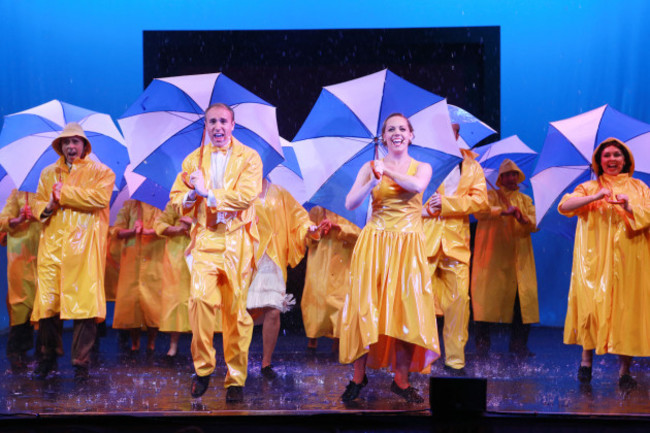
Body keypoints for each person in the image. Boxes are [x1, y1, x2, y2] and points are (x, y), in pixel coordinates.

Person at [339, 113, 439, 403]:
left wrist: (389, 171)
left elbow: (417, 187)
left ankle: (401, 380)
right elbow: (350, 202)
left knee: (407, 311)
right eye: (390, 129)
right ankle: (358, 377)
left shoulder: (422, 167)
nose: (397, 133)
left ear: (411, 135)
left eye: (402, 129)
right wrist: (371, 181)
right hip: (375, 243)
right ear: (383, 137)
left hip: (408, 246)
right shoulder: (370, 167)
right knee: (364, 308)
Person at [169, 102, 262, 403]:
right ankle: (203, 367)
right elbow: (176, 201)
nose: (218, 127)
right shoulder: (193, 160)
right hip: (207, 240)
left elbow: (247, 196)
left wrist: (209, 193)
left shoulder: (250, 158)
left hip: (237, 240)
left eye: (223, 121)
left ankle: (235, 377)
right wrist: (192, 193)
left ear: (233, 125)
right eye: (212, 122)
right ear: (206, 126)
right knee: (199, 301)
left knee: (235, 312)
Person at [558, 137, 650, 389]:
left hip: (629, 259)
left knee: (625, 311)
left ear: (626, 159)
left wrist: (630, 207)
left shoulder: (640, 187)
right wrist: (595, 196)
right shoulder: (588, 187)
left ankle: (624, 371)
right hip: (594, 260)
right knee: (590, 308)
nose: (611, 159)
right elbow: (565, 205)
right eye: (606, 155)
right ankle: (586, 361)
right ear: (599, 161)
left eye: (616, 155)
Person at [31, 122, 115, 382]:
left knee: (84, 308)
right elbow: (38, 204)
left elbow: (99, 199)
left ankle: (81, 363)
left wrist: (64, 194)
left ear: (84, 145)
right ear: (60, 146)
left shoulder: (102, 172)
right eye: (66, 142)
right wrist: (48, 205)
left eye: (76, 141)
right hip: (53, 248)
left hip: (84, 248)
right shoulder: (47, 173)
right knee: (47, 306)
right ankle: (47, 358)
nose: (71, 146)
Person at [422, 125, 489, 374]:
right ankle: (422, 361)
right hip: (424, 240)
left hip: (456, 243)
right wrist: (428, 205)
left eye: (453, 129)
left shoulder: (470, 164)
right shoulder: (420, 160)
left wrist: (449, 204)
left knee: (459, 301)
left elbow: (481, 202)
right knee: (419, 301)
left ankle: (455, 361)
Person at [246, 178, 319, 379]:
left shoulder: (279, 192)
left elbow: (299, 217)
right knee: (243, 311)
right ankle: (236, 358)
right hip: (247, 258)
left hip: (272, 259)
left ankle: (266, 363)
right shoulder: (238, 189)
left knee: (274, 310)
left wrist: (308, 228)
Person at [470, 159, 539, 357]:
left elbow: (535, 223)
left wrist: (523, 219)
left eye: (513, 174)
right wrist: (501, 211)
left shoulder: (525, 200)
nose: (510, 178)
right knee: (485, 302)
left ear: (518, 176)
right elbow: (479, 212)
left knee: (521, 303)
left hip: (518, 258)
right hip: (492, 257)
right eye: (506, 175)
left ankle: (519, 344)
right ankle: (482, 345)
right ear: (500, 178)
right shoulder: (490, 196)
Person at [301, 206, 360, 352]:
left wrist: (338, 228)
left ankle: (338, 340)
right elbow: (306, 237)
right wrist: (316, 232)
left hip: (343, 260)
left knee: (341, 300)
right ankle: (312, 338)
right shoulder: (316, 211)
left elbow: (360, 234)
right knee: (315, 298)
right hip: (319, 261)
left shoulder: (353, 209)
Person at [112, 199, 164, 355]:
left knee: (153, 301)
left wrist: (151, 231)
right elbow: (116, 230)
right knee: (132, 302)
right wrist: (132, 231)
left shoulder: (162, 207)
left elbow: (167, 227)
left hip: (154, 257)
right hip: (132, 258)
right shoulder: (130, 206)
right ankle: (135, 343)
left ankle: (151, 343)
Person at [0, 189, 40, 373]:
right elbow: (4, 219)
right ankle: (15, 349)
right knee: (21, 301)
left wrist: (40, 215)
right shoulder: (17, 194)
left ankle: (41, 351)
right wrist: (19, 219)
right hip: (21, 254)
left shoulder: (51, 190)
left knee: (41, 301)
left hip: (43, 251)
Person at [153, 200, 193, 359]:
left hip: (200, 253)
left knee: (199, 302)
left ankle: (200, 346)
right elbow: (159, 224)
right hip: (176, 256)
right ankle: (173, 345)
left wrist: (193, 225)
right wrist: (179, 229)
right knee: (177, 300)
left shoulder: (206, 200)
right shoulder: (174, 204)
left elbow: (216, 224)